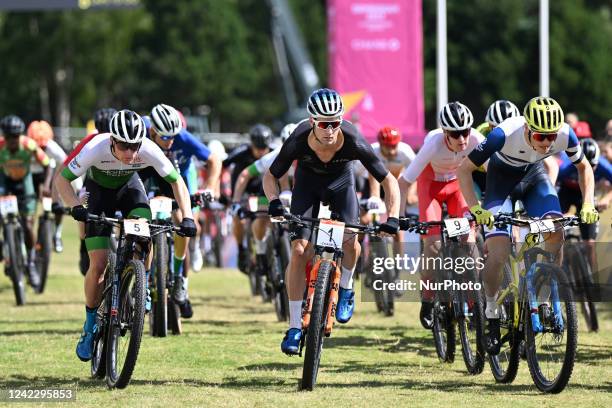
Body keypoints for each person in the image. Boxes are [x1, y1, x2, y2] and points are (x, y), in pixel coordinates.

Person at [263, 88, 401, 355]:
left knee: (351, 240)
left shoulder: (352, 139)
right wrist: (274, 201)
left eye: (335, 122)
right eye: (324, 123)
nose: (330, 129)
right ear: (312, 121)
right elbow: (270, 176)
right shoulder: (299, 138)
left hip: (341, 183)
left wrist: (392, 216)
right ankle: (293, 325)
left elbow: (389, 181)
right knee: (300, 249)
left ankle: (347, 288)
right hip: (307, 184)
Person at [457, 96, 598, 355]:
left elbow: (584, 168)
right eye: (540, 137)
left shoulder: (566, 133)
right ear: (526, 128)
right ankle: (490, 310)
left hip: (535, 179)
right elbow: (464, 170)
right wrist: (476, 208)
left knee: (556, 229)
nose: (547, 143)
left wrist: (588, 203)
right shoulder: (503, 134)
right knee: (498, 253)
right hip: (501, 186)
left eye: (551, 137)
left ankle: (545, 297)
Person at [55, 109, 197, 362]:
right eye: (124, 146)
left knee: (145, 230)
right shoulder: (95, 148)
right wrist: (75, 206)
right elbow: (62, 180)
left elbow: (177, 183)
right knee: (98, 265)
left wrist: (187, 216)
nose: (131, 154)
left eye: (135, 147)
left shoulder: (149, 149)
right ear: (112, 140)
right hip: (98, 195)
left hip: (130, 190)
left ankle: (141, 287)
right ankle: (89, 327)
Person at [398, 101, 485, 329]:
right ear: (445, 132)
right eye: (455, 134)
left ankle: (474, 302)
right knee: (434, 245)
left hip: (458, 186)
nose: (462, 139)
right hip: (431, 187)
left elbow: (494, 170)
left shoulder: (476, 139)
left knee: (469, 242)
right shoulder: (433, 144)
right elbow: (404, 182)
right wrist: (399, 216)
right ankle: (428, 296)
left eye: (465, 132)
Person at [140, 103, 221, 317]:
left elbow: (214, 160)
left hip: (179, 176)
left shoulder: (182, 138)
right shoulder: (142, 132)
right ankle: (141, 279)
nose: (171, 141)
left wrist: (211, 187)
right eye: (166, 137)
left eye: (174, 136)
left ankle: (180, 279)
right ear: (152, 131)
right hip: (148, 173)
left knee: (185, 219)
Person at [56, 108, 117, 275]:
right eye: (102, 132)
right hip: (92, 181)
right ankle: (84, 246)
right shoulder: (89, 141)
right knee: (84, 208)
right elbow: (64, 168)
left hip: (118, 183)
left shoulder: (125, 142)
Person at [0, 115, 52, 288]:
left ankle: (30, 263)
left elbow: (48, 164)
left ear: (20, 136)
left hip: (25, 183)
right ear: (4, 137)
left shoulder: (28, 145)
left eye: (15, 137)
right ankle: (6, 250)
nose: (12, 141)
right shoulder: (1, 147)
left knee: (28, 224)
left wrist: (45, 185)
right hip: (5, 182)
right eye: (9, 137)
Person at [557, 138, 612, 276]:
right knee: (557, 228)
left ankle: (591, 278)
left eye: (593, 165)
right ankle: (560, 268)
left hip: (586, 193)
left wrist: (606, 198)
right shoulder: (565, 167)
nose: (589, 169)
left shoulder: (604, 166)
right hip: (566, 192)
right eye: (585, 164)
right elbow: (551, 186)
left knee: (589, 243)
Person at [223, 124, 273, 272]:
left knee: (266, 217)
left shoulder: (273, 151)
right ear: (251, 144)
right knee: (239, 217)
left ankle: (268, 246)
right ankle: (241, 249)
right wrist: (222, 193)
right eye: (258, 148)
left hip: (262, 189)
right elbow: (221, 165)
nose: (261, 152)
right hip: (242, 190)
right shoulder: (241, 152)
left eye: (264, 148)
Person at [27, 120, 68, 252]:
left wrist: (76, 187)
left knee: (57, 203)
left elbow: (67, 164)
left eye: (43, 147)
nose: (41, 150)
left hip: (48, 174)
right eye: (37, 147)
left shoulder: (53, 148)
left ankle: (57, 233)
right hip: (30, 175)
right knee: (29, 209)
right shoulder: (25, 147)